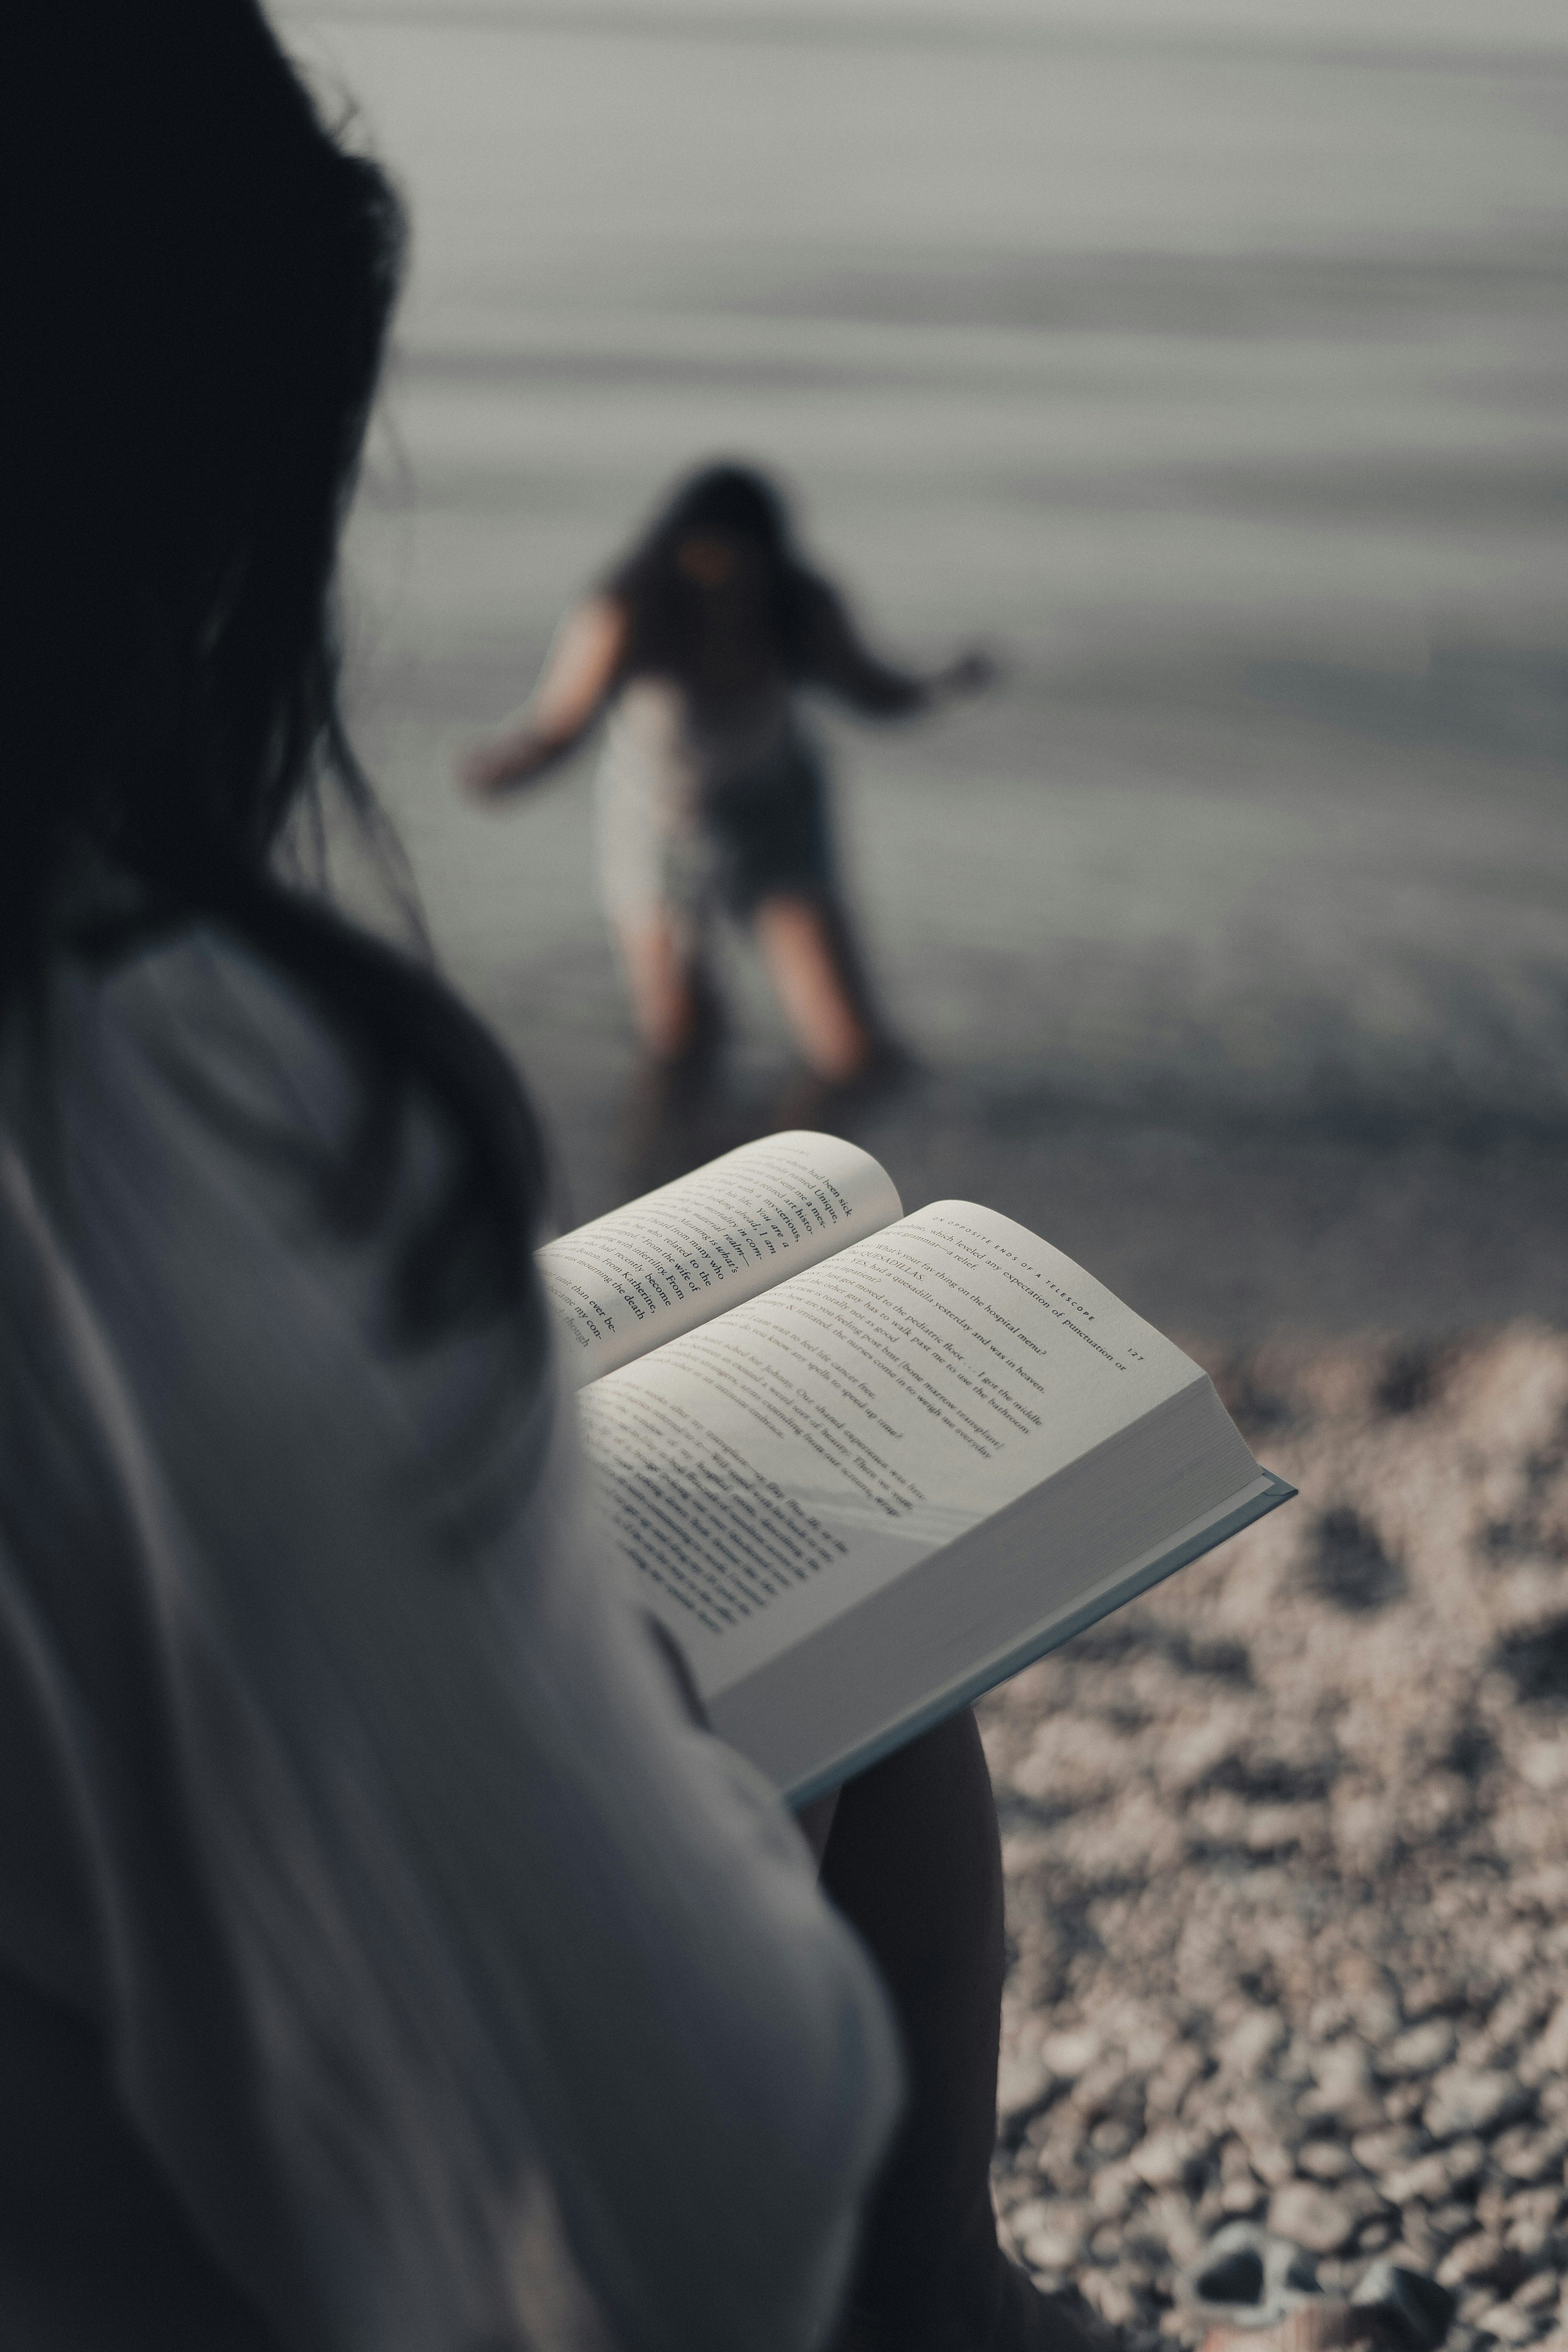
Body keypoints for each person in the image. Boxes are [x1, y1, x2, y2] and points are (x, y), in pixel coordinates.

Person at [1, 9, 1092, 2352]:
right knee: (717, 1099)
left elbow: (860, 689)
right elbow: (681, 2223)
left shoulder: (769, 608)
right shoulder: (144, 1093)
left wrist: (930, 682)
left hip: (752, 819)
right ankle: (973, 2325)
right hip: (669, 839)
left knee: (832, 1042)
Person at [459, 466, 994, 1083]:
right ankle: (679, 1162)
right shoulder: (628, 608)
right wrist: (506, 771)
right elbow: (557, 726)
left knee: (849, 1044)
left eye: (741, 562)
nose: (725, 581)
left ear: (770, 558)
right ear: (675, 552)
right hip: (656, 818)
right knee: (680, 1035)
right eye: (706, 560)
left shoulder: (800, 604)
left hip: (775, 809)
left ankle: (856, 1162)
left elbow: (873, 692)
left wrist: (944, 686)